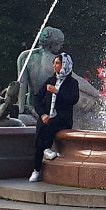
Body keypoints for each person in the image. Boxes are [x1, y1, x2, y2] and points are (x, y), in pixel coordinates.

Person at [27, 52, 80, 182]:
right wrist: (42, 114)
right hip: (47, 116)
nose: (55, 66)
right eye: (54, 63)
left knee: (49, 125)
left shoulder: (72, 83)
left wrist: (57, 92)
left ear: (65, 65)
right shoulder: (51, 80)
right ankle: (37, 167)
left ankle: (39, 163)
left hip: (62, 118)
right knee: (41, 131)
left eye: (58, 63)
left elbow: (72, 100)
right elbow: (37, 98)